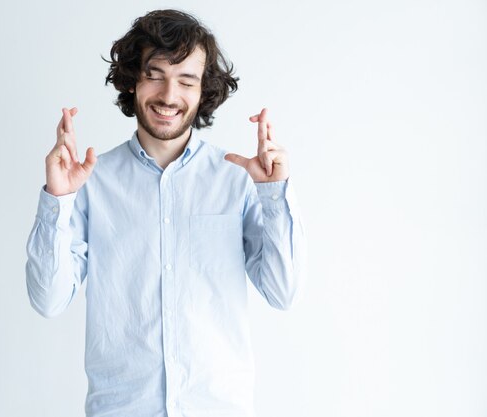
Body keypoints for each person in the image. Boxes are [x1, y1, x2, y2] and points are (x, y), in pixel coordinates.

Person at [26, 9, 306, 417]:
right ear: (132, 80)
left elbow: (283, 293)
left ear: (203, 90)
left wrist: (274, 194)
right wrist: (57, 196)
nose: (169, 95)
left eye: (186, 80)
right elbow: (47, 300)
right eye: (154, 74)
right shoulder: (91, 183)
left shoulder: (238, 180)